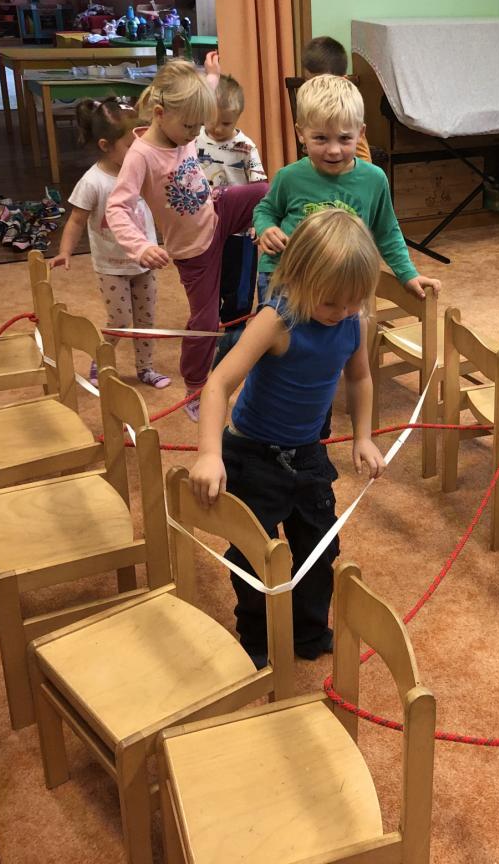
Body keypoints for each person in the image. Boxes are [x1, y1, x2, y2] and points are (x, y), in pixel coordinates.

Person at [188, 209, 386, 666]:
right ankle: (257, 639)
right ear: (298, 279)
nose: (342, 313)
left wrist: (363, 436)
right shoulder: (277, 320)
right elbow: (218, 384)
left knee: (320, 548)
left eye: (353, 301)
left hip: (307, 454)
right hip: (252, 455)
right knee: (254, 553)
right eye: (331, 302)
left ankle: (309, 632)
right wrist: (209, 454)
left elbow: (359, 379)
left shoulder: (354, 322)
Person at [104, 59, 269, 420]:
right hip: (194, 251)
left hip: (218, 210)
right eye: (190, 127)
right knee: (205, 322)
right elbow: (116, 208)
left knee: (266, 191)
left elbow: (201, 96)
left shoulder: (183, 119)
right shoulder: (141, 156)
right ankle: (195, 387)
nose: (196, 134)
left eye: (199, 125)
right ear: (160, 114)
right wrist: (141, 247)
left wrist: (211, 76)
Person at [253, 74, 439, 305]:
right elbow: (265, 210)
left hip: (343, 282)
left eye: (344, 139)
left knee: (342, 328)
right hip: (285, 276)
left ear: (360, 133)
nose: (333, 150)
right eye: (320, 138)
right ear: (301, 133)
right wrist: (266, 228)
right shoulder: (289, 177)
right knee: (278, 329)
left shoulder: (374, 180)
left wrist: (408, 274)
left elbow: (387, 232)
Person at [51, 98, 170, 388]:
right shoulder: (93, 181)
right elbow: (76, 220)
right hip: (111, 266)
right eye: (130, 146)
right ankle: (101, 358)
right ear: (105, 145)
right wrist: (65, 251)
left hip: (144, 262)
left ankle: (145, 369)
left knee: (146, 320)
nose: (138, 151)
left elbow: (158, 204)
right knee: (120, 320)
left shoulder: (142, 171)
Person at [194, 73, 266, 368]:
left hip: (239, 231)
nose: (216, 128)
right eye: (211, 120)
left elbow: (259, 187)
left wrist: (257, 222)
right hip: (205, 229)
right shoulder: (195, 140)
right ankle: (209, 330)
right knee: (209, 281)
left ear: (237, 118)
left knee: (238, 286)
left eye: (225, 123)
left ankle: (234, 332)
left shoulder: (245, 147)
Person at [301, 35, 372, 164]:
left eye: (322, 83)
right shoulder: (309, 106)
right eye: (308, 81)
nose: (313, 88)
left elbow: (365, 164)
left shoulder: (346, 116)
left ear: (343, 80)